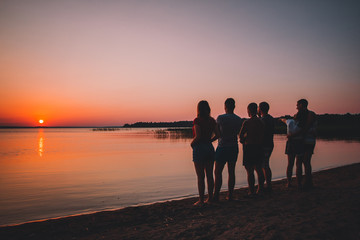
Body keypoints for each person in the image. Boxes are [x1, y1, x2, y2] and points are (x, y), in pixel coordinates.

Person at [213, 98, 243, 201]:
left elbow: (217, 133)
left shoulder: (220, 118)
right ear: (234, 106)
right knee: (231, 172)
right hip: (233, 147)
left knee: (217, 172)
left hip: (222, 147)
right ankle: (230, 195)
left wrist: (209, 140)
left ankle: (216, 195)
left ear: (225, 106)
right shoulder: (239, 119)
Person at [191, 100, 219, 206]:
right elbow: (218, 134)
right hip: (209, 148)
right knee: (210, 175)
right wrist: (210, 141)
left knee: (200, 176)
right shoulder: (212, 120)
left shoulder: (197, 120)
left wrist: (192, 143)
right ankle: (210, 198)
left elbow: (198, 136)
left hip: (199, 148)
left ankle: (201, 200)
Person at [290, 99, 317, 189]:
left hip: (308, 140)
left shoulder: (310, 114)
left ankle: (308, 182)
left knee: (306, 161)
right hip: (300, 140)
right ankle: (301, 183)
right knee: (300, 162)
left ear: (302, 105)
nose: (296, 107)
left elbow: (306, 127)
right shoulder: (298, 115)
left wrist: (294, 134)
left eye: (297, 105)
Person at [239, 103, 265, 196]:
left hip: (249, 147)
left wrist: (244, 139)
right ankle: (260, 188)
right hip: (259, 147)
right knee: (259, 169)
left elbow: (241, 136)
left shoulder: (247, 122)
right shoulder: (261, 122)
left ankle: (251, 191)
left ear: (249, 110)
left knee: (250, 171)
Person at [280, 116, 304, 188]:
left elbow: (284, 120)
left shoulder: (290, 121)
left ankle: (289, 183)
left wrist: (281, 119)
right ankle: (299, 183)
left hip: (291, 142)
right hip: (299, 142)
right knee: (298, 164)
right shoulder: (302, 123)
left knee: (290, 164)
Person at [258, 102, 274, 192]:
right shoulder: (270, 118)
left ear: (260, 109)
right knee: (265, 164)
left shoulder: (263, 120)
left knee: (264, 165)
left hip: (264, 145)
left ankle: (267, 186)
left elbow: (261, 132)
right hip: (270, 143)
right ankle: (268, 184)